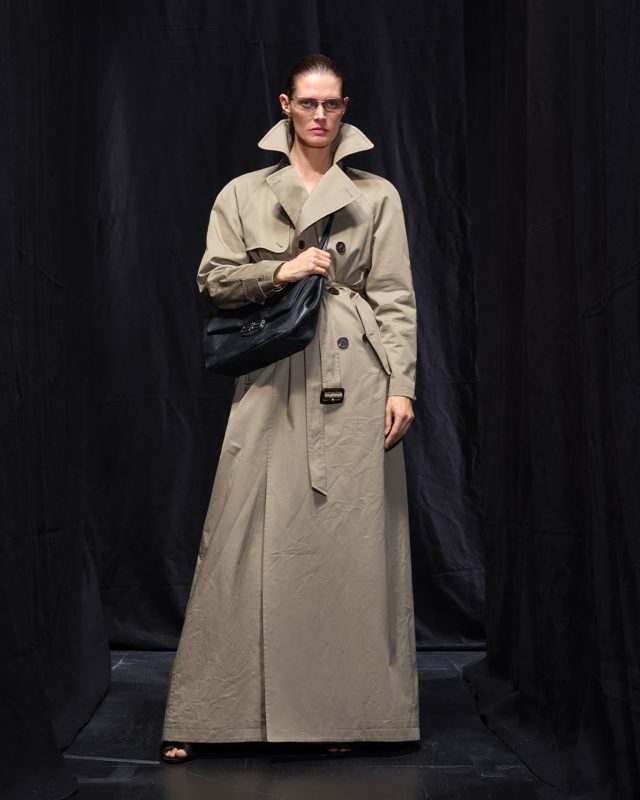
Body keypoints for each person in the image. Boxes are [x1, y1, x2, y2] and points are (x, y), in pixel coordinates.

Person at [161, 53, 419, 763]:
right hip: (271, 373)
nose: (320, 116)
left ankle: (343, 714)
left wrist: (402, 385)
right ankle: (212, 716)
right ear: (285, 105)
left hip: (354, 378)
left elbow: (395, 296)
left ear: (346, 108)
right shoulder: (244, 193)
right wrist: (282, 268)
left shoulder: (378, 196)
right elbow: (213, 280)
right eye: (308, 103)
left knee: (349, 549)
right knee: (238, 538)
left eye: (332, 104)